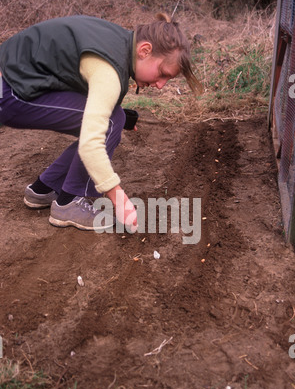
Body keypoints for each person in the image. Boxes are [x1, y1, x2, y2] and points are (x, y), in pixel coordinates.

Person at [0, 13, 201, 232]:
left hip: (16, 80)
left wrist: (118, 114)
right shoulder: (109, 70)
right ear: (145, 50)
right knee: (111, 122)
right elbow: (91, 143)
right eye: (163, 73)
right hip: (10, 92)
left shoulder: (117, 40)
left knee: (115, 117)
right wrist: (118, 197)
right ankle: (68, 203)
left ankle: (44, 188)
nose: (161, 85)